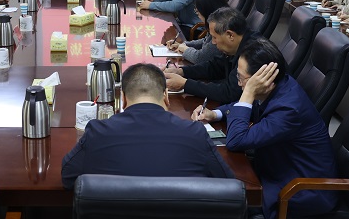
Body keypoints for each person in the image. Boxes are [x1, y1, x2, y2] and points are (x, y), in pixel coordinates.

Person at [191, 38, 337, 219]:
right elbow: (247, 107)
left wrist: (248, 93)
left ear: (264, 79)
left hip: (304, 187)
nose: (239, 84)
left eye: (243, 80)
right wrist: (216, 114)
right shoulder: (277, 87)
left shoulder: (288, 107)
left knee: (231, 205)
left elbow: (236, 140)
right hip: (281, 168)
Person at [60, 63, 234, 189]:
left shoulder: (97, 132)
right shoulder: (195, 133)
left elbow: (68, 176)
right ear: (166, 96)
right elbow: (227, 183)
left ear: (124, 99)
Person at [163, 7, 258, 103]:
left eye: (214, 37)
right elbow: (215, 67)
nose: (213, 42)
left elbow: (229, 93)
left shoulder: (253, 54)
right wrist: (181, 71)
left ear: (230, 35)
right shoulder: (236, 45)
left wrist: (185, 84)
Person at [165, 0, 227, 65]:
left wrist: (185, 49)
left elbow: (200, 58)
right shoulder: (218, 19)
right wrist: (183, 44)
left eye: (198, 12)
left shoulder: (221, 27)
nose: (197, 14)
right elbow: (205, 41)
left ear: (207, 11)